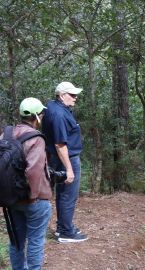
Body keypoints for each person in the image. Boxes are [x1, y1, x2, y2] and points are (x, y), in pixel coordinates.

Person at [1, 98, 52, 270]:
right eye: (42, 114)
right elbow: (33, 172)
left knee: (16, 241)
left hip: (12, 199)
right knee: (35, 241)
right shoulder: (36, 139)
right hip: (34, 200)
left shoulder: (5, 135)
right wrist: (31, 198)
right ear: (37, 116)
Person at [42, 81, 87, 243]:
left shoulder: (52, 106)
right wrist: (69, 168)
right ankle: (66, 232)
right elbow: (60, 144)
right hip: (65, 157)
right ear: (62, 96)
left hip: (54, 157)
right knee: (68, 194)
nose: (75, 98)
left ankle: (63, 227)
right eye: (72, 95)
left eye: (76, 95)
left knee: (61, 193)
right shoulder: (59, 114)